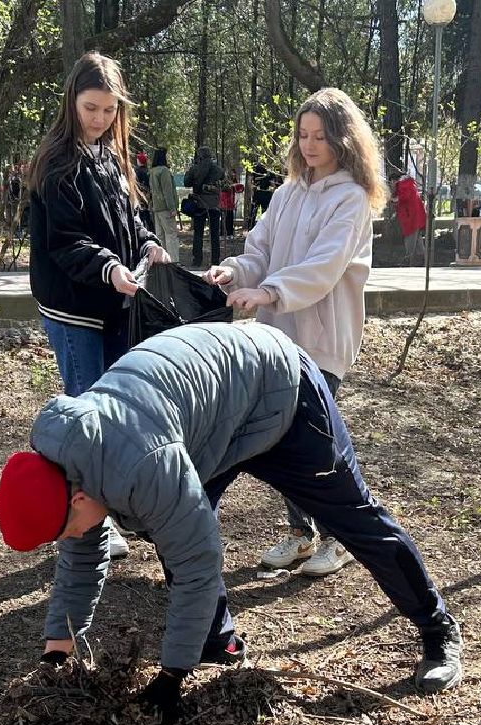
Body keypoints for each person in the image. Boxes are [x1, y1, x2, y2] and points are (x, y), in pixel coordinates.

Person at [0, 322, 464, 725]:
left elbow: (196, 561)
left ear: (77, 497)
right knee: (175, 530)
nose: (76, 537)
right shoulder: (64, 462)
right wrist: (58, 647)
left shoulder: (142, 467)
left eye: (69, 528)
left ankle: (437, 627)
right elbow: (80, 555)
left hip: (280, 393)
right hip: (211, 420)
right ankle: (219, 642)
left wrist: (171, 676)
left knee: (354, 519)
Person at [205, 86, 386, 579]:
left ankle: (336, 537)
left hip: (322, 342)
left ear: (342, 140)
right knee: (279, 441)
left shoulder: (350, 199)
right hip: (277, 337)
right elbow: (259, 252)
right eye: (303, 135)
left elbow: (323, 266)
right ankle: (303, 534)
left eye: (320, 137)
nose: (309, 146)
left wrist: (269, 293)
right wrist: (234, 272)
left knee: (316, 446)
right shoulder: (286, 194)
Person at [27, 51, 169, 560]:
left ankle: (103, 510)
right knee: (85, 414)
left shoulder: (111, 155)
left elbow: (128, 220)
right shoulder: (57, 164)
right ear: (72, 103)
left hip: (111, 305)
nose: (100, 119)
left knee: (111, 413)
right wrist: (109, 267)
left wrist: (147, 242)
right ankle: (86, 525)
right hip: (74, 310)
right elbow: (65, 243)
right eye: (91, 108)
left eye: (109, 110)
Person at [185, 146, 224, 266]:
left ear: (199, 156)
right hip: (214, 206)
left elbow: (186, 183)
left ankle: (197, 261)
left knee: (198, 234)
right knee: (215, 235)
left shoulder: (195, 169)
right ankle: (215, 261)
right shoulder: (218, 170)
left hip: (199, 204)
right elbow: (224, 183)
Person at [148, 146, 179, 263]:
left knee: (160, 236)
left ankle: (162, 262)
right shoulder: (164, 171)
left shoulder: (152, 171)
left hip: (156, 208)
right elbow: (167, 191)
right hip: (166, 208)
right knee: (171, 235)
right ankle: (174, 262)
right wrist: (172, 207)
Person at [394, 174, 426, 264]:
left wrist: (395, 199)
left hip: (410, 220)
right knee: (418, 242)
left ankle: (408, 262)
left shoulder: (403, 186)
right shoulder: (410, 185)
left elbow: (403, 197)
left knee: (410, 241)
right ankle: (422, 262)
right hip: (417, 218)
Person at [134, 150, 153, 231]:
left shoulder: (137, 171)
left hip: (140, 196)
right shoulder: (148, 171)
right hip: (148, 196)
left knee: (142, 215)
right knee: (148, 215)